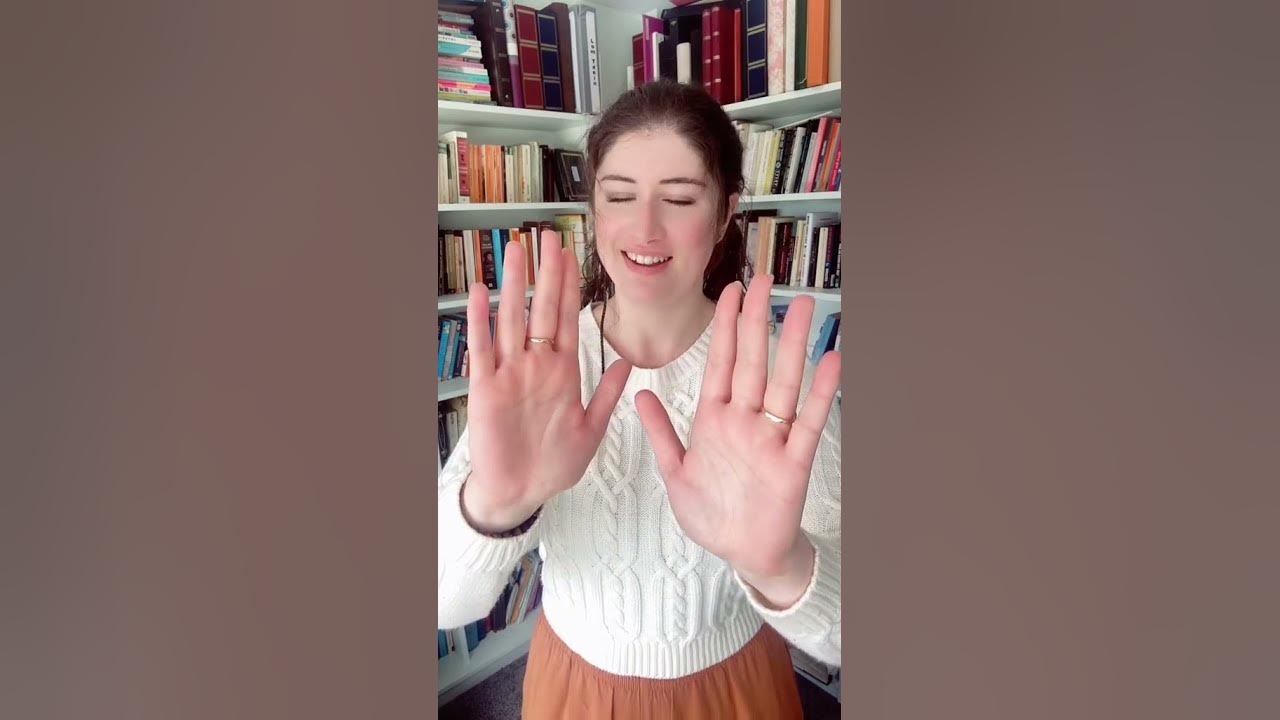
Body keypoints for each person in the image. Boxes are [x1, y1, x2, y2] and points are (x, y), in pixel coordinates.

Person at [438, 80, 841, 718]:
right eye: (620, 195)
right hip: (573, 690)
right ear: (595, 209)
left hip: (735, 690)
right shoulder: (540, 368)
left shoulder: (772, 380)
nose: (645, 227)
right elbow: (441, 603)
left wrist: (783, 566)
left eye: (679, 198)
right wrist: (494, 505)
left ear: (726, 211)